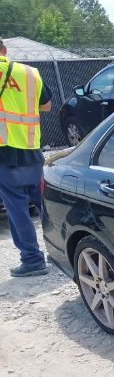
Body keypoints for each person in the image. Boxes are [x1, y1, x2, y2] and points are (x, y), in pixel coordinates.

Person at [0, 37, 53, 277]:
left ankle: (32, 260)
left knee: (17, 208)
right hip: (32, 148)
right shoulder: (30, 73)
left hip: (4, 151)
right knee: (45, 204)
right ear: (5, 50)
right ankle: (58, 251)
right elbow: (47, 106)